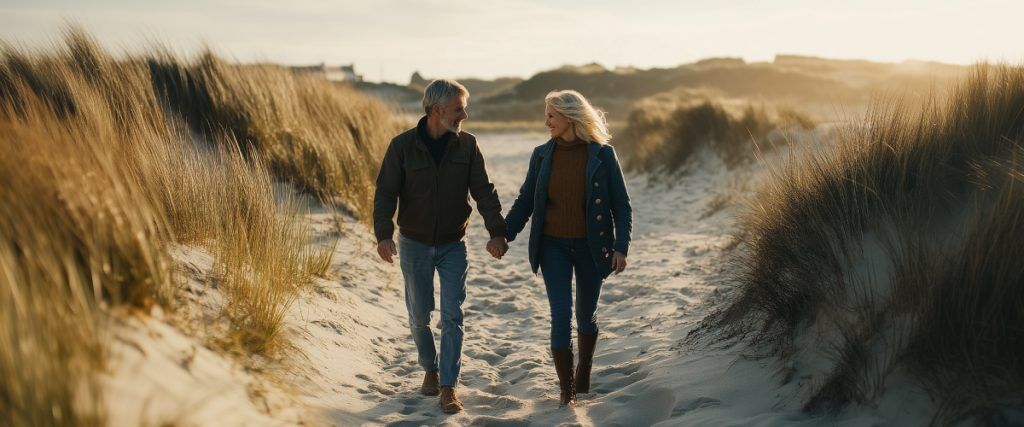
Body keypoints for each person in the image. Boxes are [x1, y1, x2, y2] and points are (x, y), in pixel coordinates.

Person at [373, 79, 508, 414]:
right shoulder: (402, 146)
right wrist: (383, 234)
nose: (465, 114)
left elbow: (484, 192)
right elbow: (386, 192)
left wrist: (497, 232)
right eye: (458, 108)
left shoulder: (468, 146)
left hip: (453, 245)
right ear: (437, 111)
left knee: (452, 316)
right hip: (413, 244)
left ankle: (448, 385)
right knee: (420, 316)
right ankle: (429, 368)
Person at [505, 89, 633, 407]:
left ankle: (584, 366)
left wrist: (621, 247)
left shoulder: (603, 155)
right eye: (546, 114)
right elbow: (525, 202)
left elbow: (622, 205)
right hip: (553, 247)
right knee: (561, 315)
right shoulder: (541, 155)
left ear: (570, 117)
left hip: (592, 247)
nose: (546, 121)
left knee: (585, 315)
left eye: (551, 115)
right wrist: (503, 235)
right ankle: (567, 390)